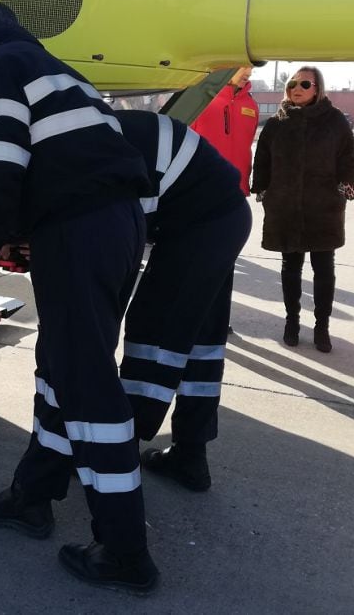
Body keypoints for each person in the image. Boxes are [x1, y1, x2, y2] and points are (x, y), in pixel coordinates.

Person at [0, 2, 158, 593]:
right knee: (64, 368)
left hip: (79, 229)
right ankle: (33, 495)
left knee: (86, 386)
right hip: (121, 226)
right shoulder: (61, 72)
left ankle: (124, 551)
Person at [115, 110, 251, 493]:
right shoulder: (115, 127)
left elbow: (117, 250)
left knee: (153, 334)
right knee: (199, 344)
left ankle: (120, 448)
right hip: (224, 215)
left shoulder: (104, 149)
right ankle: (191, 455)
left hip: (201, 226)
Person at [251, 66, 354, 353]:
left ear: (317, 88)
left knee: (324, 268)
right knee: (290, 267)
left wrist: (345, 189)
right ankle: (292, 322)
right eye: (291, 84)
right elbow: (262, 161)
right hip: (285, 207)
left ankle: (322, 327)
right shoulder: (277, 123)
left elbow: (349, 158)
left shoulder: (335, 121)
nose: (296, 89)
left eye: (304, 84)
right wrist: (263, 191)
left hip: (323, 208)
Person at [192, 66, 259, 196]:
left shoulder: (251, 105)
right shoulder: (200, 100)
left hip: (237, 188)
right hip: (202, 188)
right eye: (244, 66)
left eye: (251, 67)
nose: (249, 73)